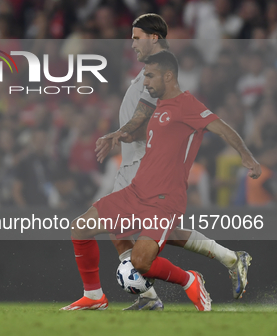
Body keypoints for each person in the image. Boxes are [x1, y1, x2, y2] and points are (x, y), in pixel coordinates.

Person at [62, 50, 261, 312]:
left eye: (151, 76)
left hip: (163, 201)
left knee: (141, 261)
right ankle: (94, 295)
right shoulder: (160, 108)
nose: (146, 82)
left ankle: (190, 279)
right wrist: (121, 136)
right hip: (135, 192)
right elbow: (152, 137)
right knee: (80, 227)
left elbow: (223, 128)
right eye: (145, 76)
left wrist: (247, 157)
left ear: (169, 76)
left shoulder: (188, 105)